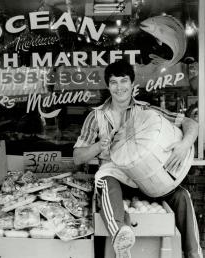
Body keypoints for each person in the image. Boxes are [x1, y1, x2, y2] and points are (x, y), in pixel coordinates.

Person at [73, 60, 202, 258]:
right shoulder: (96, 117)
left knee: (181, 196)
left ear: (132, 84)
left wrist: (184, 145)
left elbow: (190, 123)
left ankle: (194, 254)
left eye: (124, 81)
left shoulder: (147, 111)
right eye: (114, 82)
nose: (119, 87)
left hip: (147, 179)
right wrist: (99, 146)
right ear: (108, 86)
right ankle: (120, 237)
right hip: (116, 179)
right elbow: (77, 157)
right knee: (106, 180)